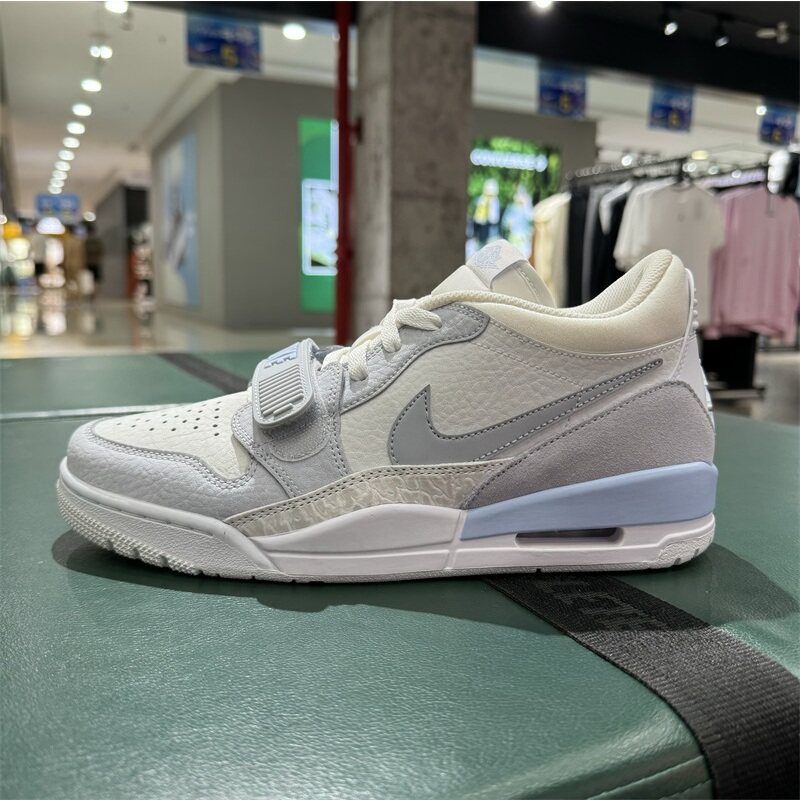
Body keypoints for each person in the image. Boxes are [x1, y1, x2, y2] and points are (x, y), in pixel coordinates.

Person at [84, 222, 104, 293]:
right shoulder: (94, 240)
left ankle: (92, 292)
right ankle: (93, 292)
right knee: (94, 279)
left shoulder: (87, 241)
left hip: (90, 262)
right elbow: (101, 251)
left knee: (92, 279)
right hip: (94, 262)